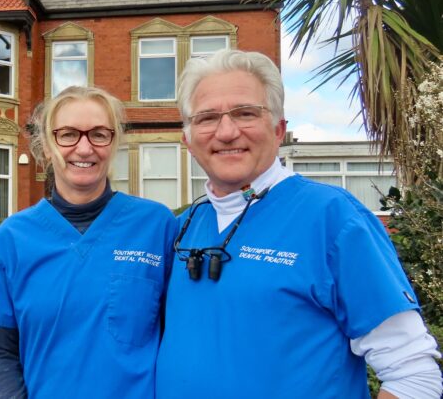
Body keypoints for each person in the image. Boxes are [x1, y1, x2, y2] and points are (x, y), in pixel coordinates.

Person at [156, 49, 442, 398]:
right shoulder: (183, 228)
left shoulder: (333, 218)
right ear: (187, 139)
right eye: (207, 118)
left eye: (245, 113)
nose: (227, 131)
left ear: (278, 130)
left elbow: (413, 374)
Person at [0, 86, 177, 398]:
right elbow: (2, 351)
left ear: (114, 142)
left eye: (99, 134)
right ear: (47, 145)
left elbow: (178, 333)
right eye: (68, 134)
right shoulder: (12, 239)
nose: (84, 148)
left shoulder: (156, 226)